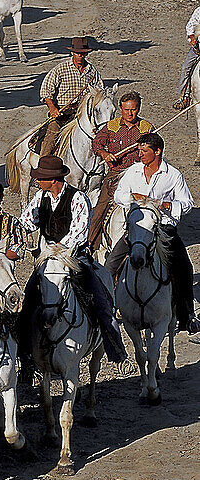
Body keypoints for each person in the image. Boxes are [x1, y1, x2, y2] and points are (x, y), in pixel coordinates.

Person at [17, 155, 128, 363]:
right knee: (29, 299)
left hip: (74, 257)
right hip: (48, 259)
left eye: (41, 178)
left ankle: (116, 351)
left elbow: (79, 233)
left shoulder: (78, 198)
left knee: (101, 301)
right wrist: (15, 229)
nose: (37, 181)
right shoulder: (41, 197)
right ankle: (25, 356)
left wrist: (57, 250)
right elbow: (26, 221)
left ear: (54, 179)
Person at [104, 133, 199, 334]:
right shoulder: (133, 171)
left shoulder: (173, 175)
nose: (140, 155)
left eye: (144, 151)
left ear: (157, 152)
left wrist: (168, 205)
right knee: (111, 263)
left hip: (163, 228)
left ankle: (187, 315)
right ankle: (105, 309)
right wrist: (132, 197)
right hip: (138, 228)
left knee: (184, 267)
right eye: (139, 150)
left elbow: (187, 203)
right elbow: (119, 195)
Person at [88, 91, 152, 250]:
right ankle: (89, 244)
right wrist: (105, 154)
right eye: (127, 110)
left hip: (140, 174)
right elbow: (97, 144)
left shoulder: (147, 128)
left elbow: (156, 150)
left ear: (139, 108)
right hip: (117, 173)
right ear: (120, 109)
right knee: (101, 206)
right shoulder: (111, 126)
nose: (130, 113)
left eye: (134, 109)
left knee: (155, 205)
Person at [37, 36, 104, 157]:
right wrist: (52, 108)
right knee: (52, 134)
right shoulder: (60, 69)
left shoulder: (92, 72)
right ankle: (43, 163)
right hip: (63, 113)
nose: (80, 56)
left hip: (83, 114)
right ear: (72, 52)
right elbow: (46, 91)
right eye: (78, 53)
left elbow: (99, 92)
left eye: (83, 54)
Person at [172, 3, 200, 110]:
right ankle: (184, 96)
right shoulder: (199, 11)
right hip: (199, 48)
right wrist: (192, 37)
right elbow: (190, 25)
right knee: (186, 68)